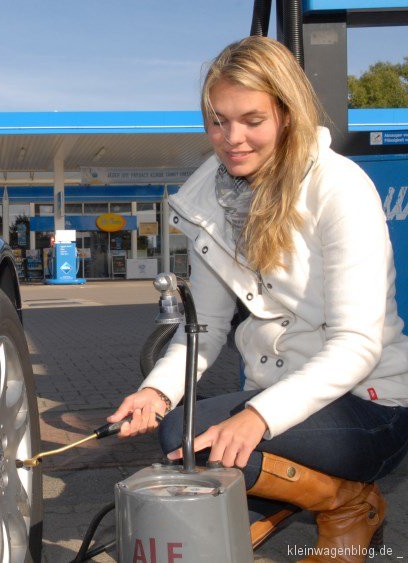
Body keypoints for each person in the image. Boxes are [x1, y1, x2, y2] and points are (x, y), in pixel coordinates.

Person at [108, 36, 408, 562]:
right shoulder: (207, 201)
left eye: (252, 119)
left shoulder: (341, 189)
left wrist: (257, 417)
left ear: (287, 115)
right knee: (182, 433)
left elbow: (357, 344)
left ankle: (345, 505)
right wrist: (155, 393)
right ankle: (300, 497)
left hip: (370, 401)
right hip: (283, 395)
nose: (232, 138)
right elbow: (205, 329)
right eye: (218, 120)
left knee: (230, 446)